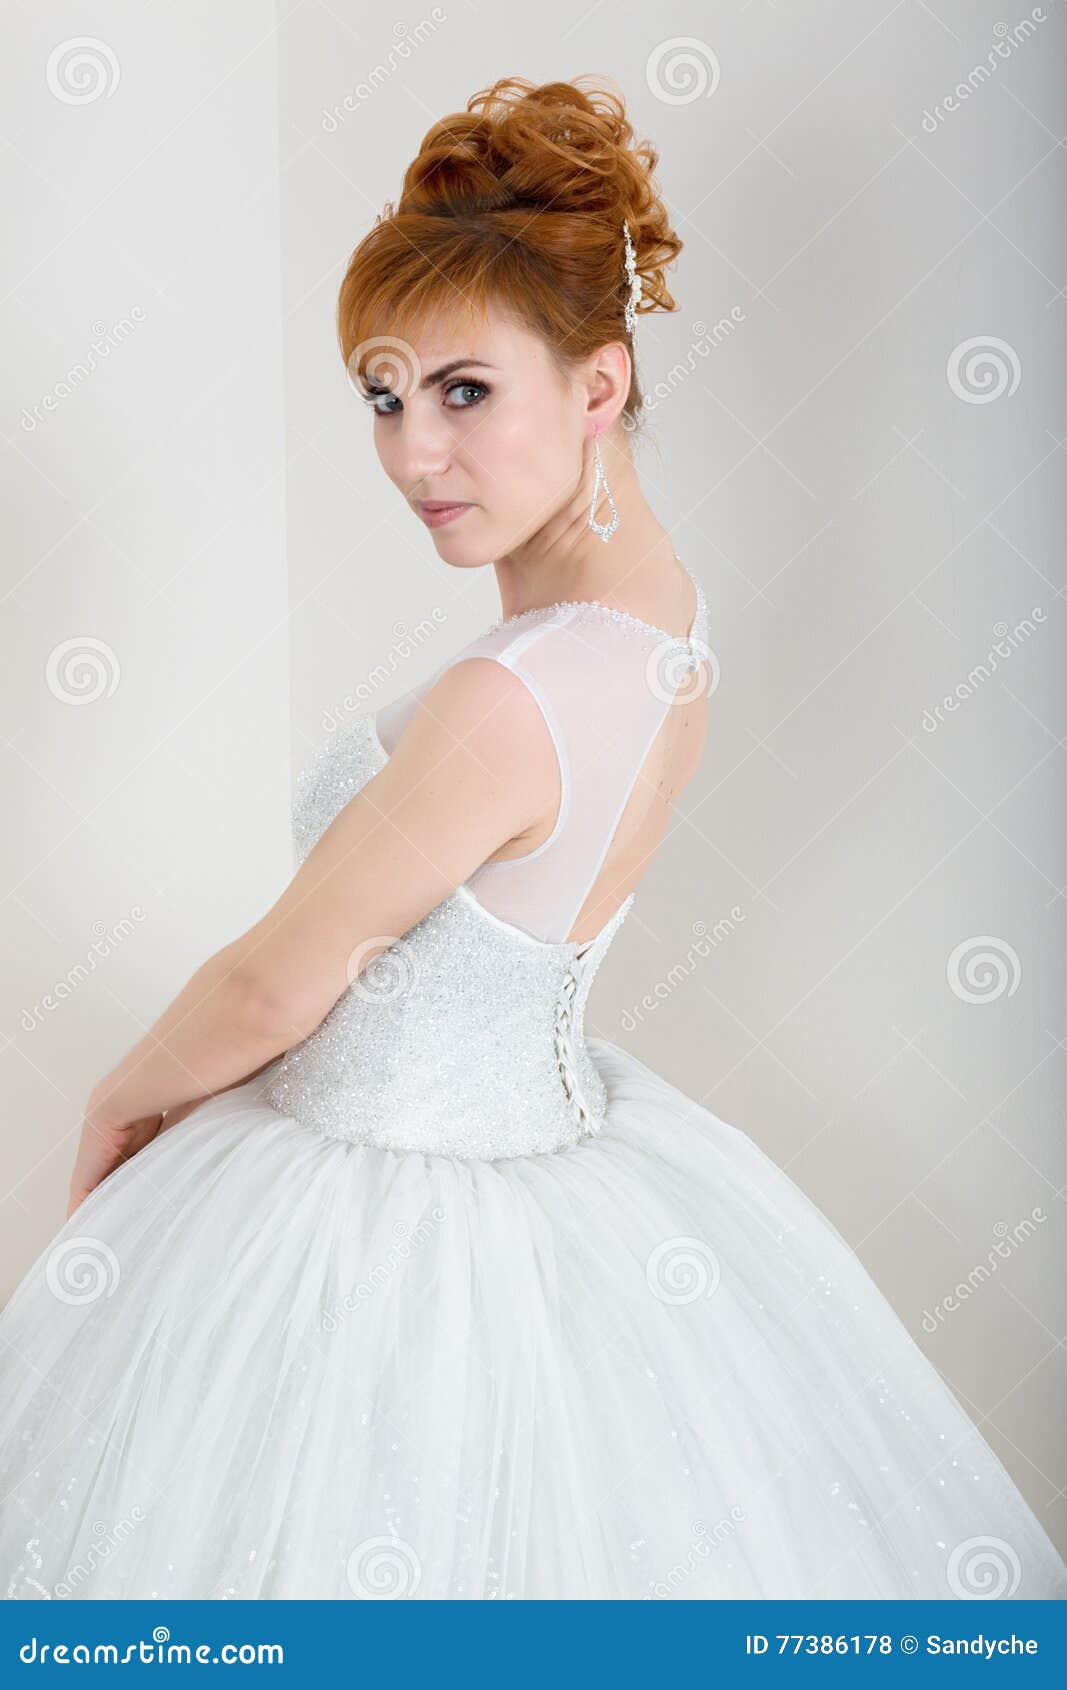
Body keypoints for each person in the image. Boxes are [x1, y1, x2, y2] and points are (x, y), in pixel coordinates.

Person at [2, 75, 1064, 1603]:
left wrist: (114, 1101)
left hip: (378, 1220)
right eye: (386, 395)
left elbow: (272, 989)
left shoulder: (514, 698)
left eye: (465, 392)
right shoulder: (662, 617)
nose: (416, 454)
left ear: (600, 384)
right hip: (554, 1165)